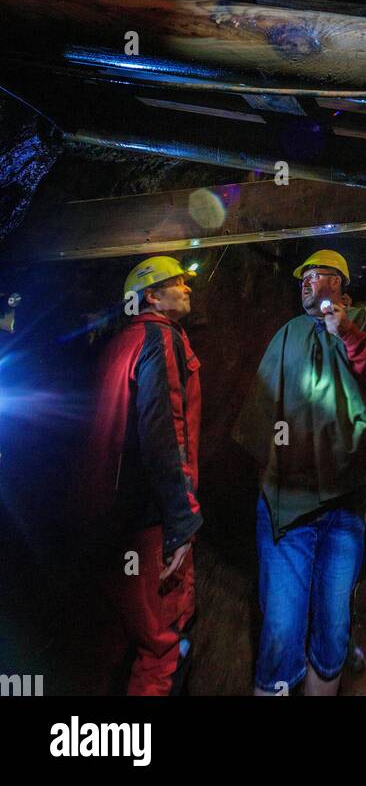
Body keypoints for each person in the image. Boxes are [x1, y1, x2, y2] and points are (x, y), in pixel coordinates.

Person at [233, 249, 366, 697]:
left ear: (341, 282)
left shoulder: (363, 330)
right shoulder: (287, 334)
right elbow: (258, 419)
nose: (307, 281)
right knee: (282, 628)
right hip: (289, 509)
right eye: (303, 276)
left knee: (333, 625)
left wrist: (342, 329)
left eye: (319, 274)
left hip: (345, 508)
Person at [84, 255, 203, 696]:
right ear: (152, 296)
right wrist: (182, 520)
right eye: (178, 283)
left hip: (112, 514)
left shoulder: (120, 341)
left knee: (124, 633)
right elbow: (164, 431)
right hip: (150, 518)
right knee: (160, 645)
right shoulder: (160, 339)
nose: (187, 289)